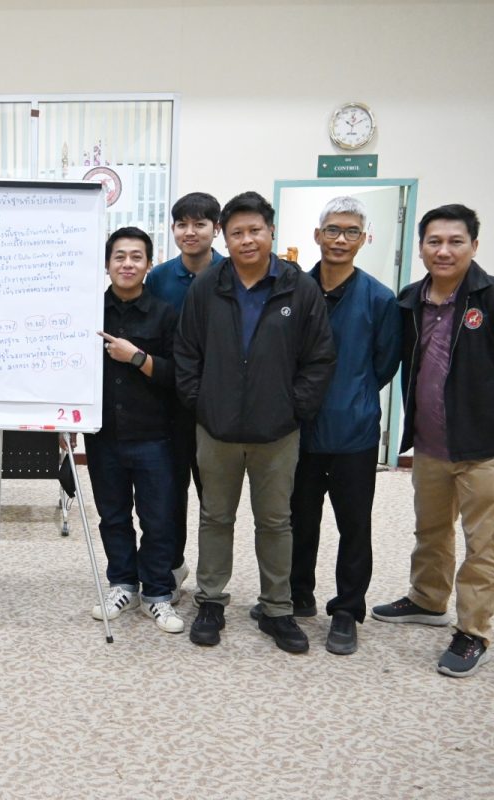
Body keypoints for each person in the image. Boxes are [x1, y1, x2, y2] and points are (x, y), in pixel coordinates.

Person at [372, 204, 494, 677]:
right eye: (434, 241)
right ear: (420, 247)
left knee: (483, 542)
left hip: (485, 448)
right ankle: (428, 599)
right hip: (430, 445)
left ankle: (473, 631)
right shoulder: (410, 300)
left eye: (456, 241)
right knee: (430, 529)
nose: (444, 251)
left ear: (474, 245)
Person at [174, 191, 335, 653]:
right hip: (216, 428)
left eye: (255, 231)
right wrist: (202, 404)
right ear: (224, 238)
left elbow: (320, 358)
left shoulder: (299, 287)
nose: (247, 240)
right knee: (215, 517)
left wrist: (293, 408)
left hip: (277, 432)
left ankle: (277, 609)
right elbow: (186, 352)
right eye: (237, 233)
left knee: (276, 521)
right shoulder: (207, 285)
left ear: (271, 232)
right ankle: (210, 602)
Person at [269, 196, 400, 655]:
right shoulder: (292, 291)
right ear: (317, 235)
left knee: (354, 525)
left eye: (350, 232)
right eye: (332, 230)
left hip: (353, 432)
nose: (340, 239)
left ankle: (346, 610)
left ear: (364, 239)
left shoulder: (380, 300)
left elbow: (384, 363)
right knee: (297, 520)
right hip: (298, 430)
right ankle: (298, 594)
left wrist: (352, 395)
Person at [84, 227, 183, 633]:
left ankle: (157, 594)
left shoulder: (165, 313)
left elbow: (178, 374)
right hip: (102, 434)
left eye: (136, 257)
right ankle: (122, 584)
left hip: (154, 435)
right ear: (107, 264)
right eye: (119, 256)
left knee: (158, 519)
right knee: (113, 516)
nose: (127, 264)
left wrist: (137, 357)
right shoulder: (89, 312)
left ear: (149, 264)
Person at [145, 192, 225, 595]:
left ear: (216, 229)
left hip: (218, 408)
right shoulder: (159, 278)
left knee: (215, 501)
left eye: (199, 224)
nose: (190, 232)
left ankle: (212, 582)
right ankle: (172, 570)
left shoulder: (231, 272)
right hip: (170, 406)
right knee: (170, 496)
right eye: (182, 224)